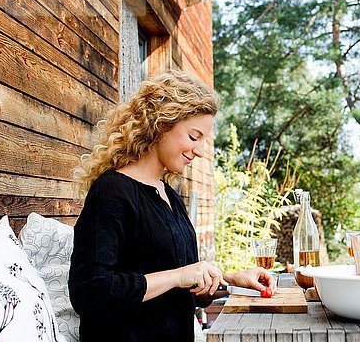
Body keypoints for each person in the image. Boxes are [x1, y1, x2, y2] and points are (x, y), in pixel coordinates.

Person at [69, 70, 276, 342]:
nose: (201, 150)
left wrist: (230, 282)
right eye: (194, 136)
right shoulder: (112, 191)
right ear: (161, 125)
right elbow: (90, 293)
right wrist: (179, 276)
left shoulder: (169, 195)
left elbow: (180, 289)